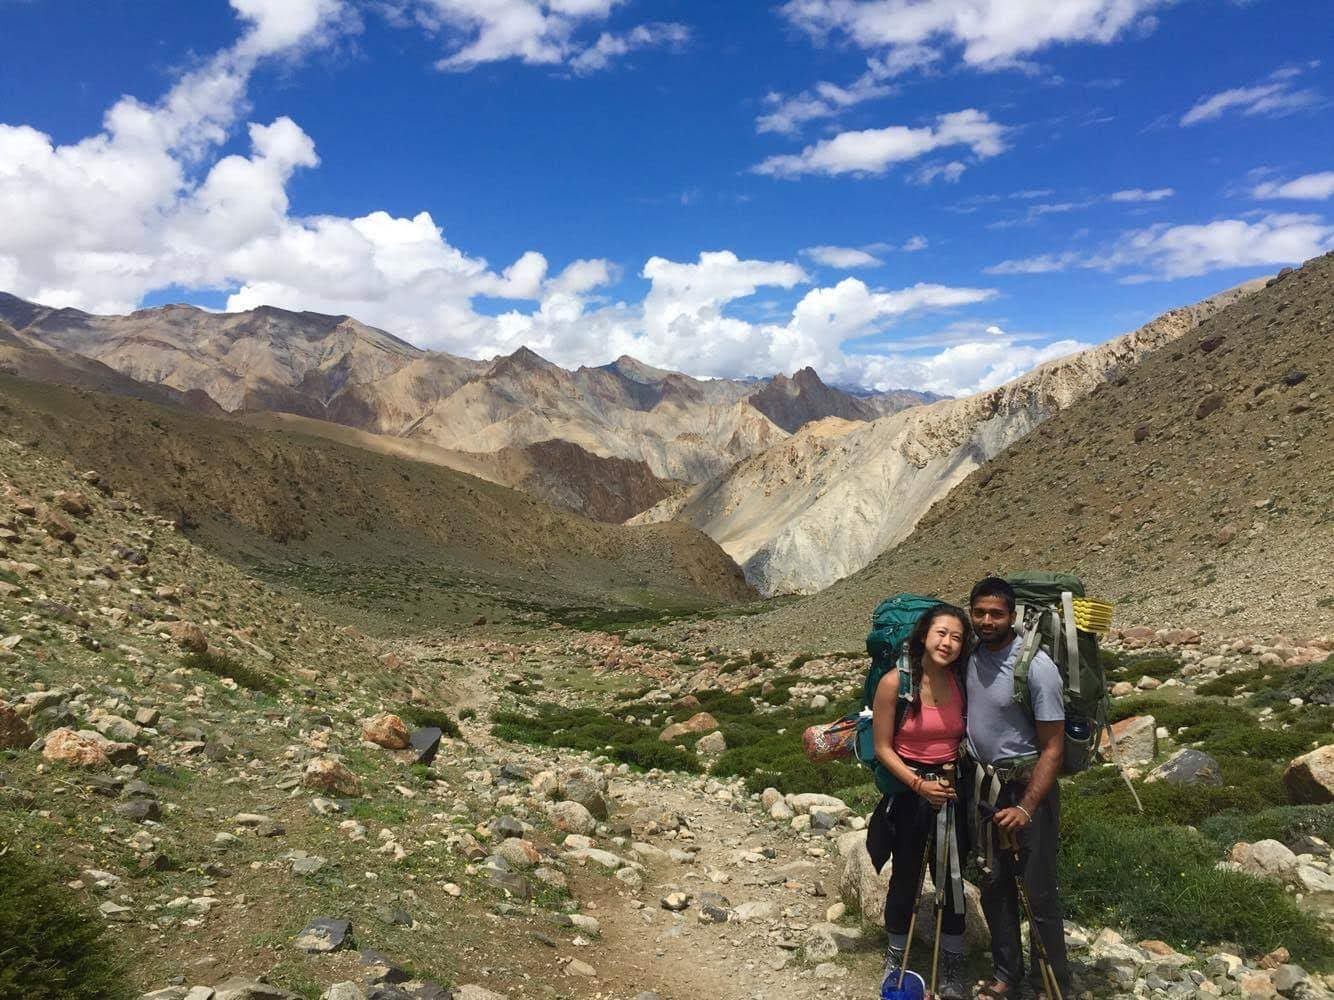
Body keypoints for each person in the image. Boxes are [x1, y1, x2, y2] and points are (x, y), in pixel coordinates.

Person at [966, 576, 1072, 999]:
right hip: (984, 790)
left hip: (1028, 791)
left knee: (1038, 890)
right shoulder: (970, 658)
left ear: (1013, 616)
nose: (987, 620)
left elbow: (1052, 749)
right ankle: (1006, 976)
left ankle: (1053, 984)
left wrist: (1026, 808)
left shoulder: (1037, 668)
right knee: (994, 885)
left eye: (996, 613)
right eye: (980, 612)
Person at [867, 603, 972, 999]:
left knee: (953, 879)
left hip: (953, 789)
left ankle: (952, 962)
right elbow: (882, 747)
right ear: (924, 634)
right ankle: (896, 957)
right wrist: (917, 784)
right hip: (911, 793)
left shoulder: (961, 681)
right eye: (942, 633)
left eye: (958, 637)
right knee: (906, 874)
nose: (948, 642)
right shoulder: (896, 683)